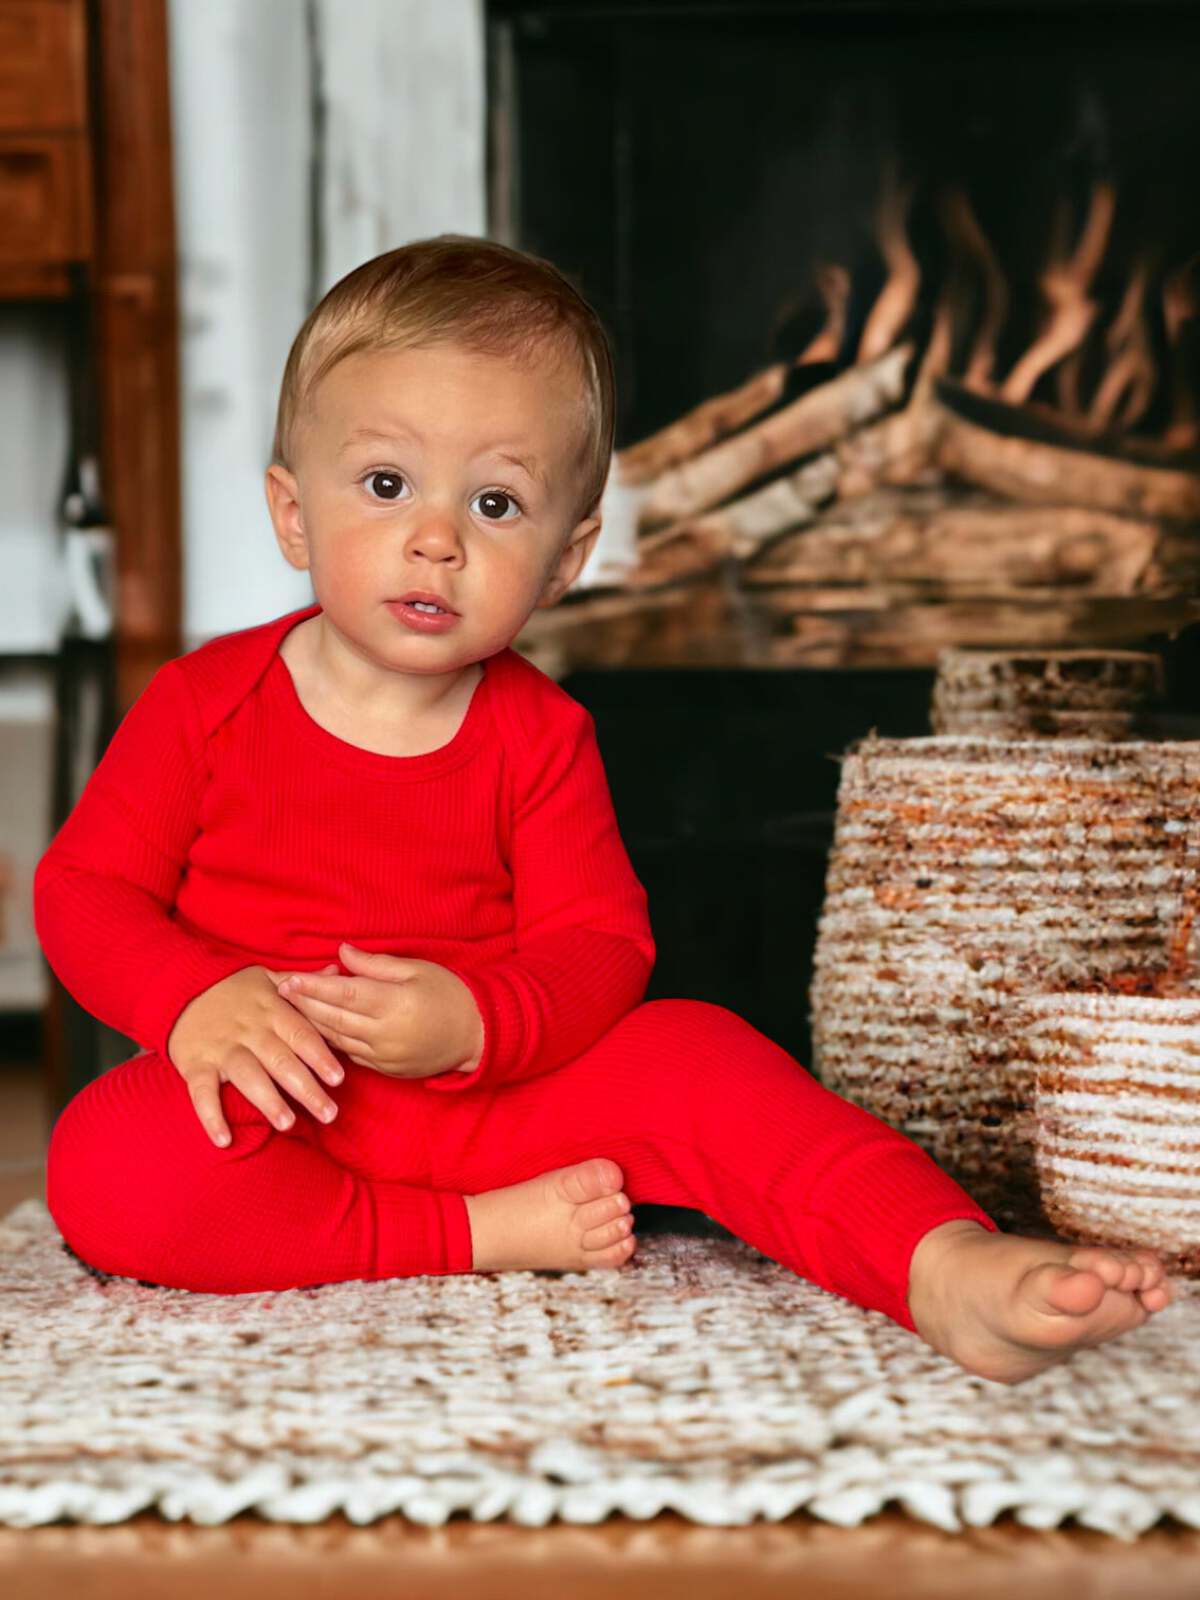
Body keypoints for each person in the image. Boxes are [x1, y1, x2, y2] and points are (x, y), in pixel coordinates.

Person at [35, 236, 1174, 1387]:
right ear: (293, 513)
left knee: (704, 1055)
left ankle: (939, 1263)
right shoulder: (202, 702)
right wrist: (193, 999)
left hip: (501, 1107)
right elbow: (84, 892)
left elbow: (602, 948)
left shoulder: (541, 733)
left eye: (496, 502)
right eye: (387, 486)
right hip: (286, 1110)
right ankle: (473, 1234)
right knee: (108, 1160)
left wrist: (478, 1021)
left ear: (566, 557)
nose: (438, 538)